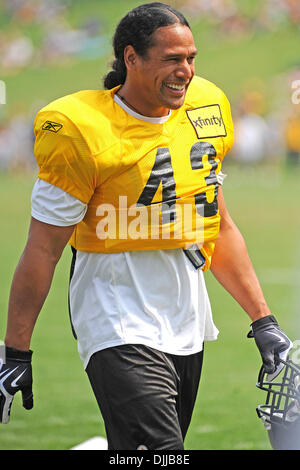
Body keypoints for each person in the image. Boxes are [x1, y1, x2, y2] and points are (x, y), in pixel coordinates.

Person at [0, 2, 292, 450]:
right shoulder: (81, 128)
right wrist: (16, 350)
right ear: (131, 58)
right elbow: (43, 248)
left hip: (185, 313)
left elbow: (217, 224)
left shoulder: (205, 109)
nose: (186, 71)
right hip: (114, 311)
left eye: (191, 58)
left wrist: (263, 318)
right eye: (173, 59)